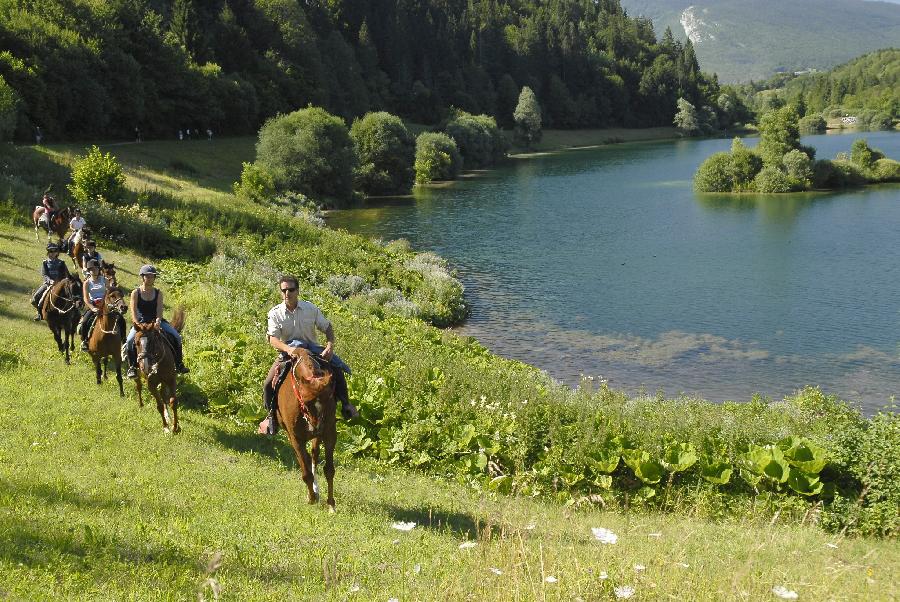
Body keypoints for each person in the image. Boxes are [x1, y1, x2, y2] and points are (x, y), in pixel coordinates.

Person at [261, 275, 357, 435]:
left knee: (337, 369)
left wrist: (330, 346)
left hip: (312, 350)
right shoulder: (275, 313)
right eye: (283, 290)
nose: (287, 293)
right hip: (289, 352)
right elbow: (273, 339)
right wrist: (288, 349)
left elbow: (327, 327)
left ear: (297, 291)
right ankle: (271, 416)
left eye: (291, 289)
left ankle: (346, 405)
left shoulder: (310, 309)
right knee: (268, 383)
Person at [123, 264, 189, 378]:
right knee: (129, 341)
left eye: (152, 276)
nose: (150, 278)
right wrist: (137, 324)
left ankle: (179, 364)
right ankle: (132, 367)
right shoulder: (135, 293)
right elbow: (133, 312)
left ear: (154, 278)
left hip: (156, 322)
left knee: (177, 337)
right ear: (142, 277)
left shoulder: (158, 293)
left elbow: (159, 310)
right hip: (141, 323)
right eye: (147, 276)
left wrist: (158, 321)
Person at [78, 259, 124, 350]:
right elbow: (86, 299)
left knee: (121, 319)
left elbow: (110, 293)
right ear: (89, 270)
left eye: (96, 268)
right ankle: (85, 341)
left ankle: (123, 341)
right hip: (94, 305)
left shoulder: (105, 280)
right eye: (92, 269)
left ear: (99, 269)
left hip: (106, 305)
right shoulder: (87, 283)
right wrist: (92, 308)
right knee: (84, 322)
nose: (94, 270)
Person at [31, 242, 71, 320]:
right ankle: (40, 314)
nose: (52, 253)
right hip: (48, 284)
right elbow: (45, 274)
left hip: (60, 285)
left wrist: (64, 281)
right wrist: (50, 281)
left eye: (54, 251)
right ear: (48, 252)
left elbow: (66, 274)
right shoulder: (45, 263)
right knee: (35, 298)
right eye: (51, 251)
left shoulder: (61, 263)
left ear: (57, 252)